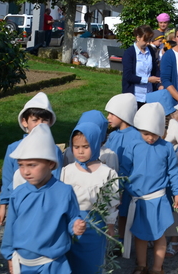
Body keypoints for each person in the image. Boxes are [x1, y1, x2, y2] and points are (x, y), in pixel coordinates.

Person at [0, 124, 86, 273]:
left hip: (54, 264)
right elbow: (10, 227)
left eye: (32, 165)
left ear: (51, 164)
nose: (25, 171)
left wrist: (76, 226)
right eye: (21, 165)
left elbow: (72, 218)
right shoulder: (18, 193)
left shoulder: (64, 192)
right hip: (23, 264)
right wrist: (9, 255)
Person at [121, 102, 178, 274]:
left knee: (159, 235)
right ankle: (141, 264)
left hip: (158, 199)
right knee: (140, 235)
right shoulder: (133, 145)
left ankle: (158, 266)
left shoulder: (166, 148)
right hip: (138, 199)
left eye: (154, 134)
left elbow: (173, 172)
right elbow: (124, 170)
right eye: (146, 134)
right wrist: (125, 188)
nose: (150, 138)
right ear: (140, 129)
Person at [61, 116, 120, 274]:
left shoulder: (107, 173)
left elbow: (112, 201)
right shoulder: (67, 172)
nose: (80, 151)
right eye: (76, 146)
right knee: (70, 263)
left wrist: (110, 224)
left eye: (85, 146)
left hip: (96, 225)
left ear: (95, 144)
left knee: (92, 264)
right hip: (70, 225)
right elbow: (60, 200)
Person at [0, 92, 64, 227]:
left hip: (45, 205)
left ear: (50, 122)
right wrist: (3, 206)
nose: (40, 124)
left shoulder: (54, 150)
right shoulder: (13, 148)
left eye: (44, 120)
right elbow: (7, 178)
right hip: (19, 203)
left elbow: (57, 179)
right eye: (35, 120)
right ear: (24, 121)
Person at [103, 92, 142, 242]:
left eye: (112, 114)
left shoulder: (135, 136)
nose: (108, 117)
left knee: (125, 210)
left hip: (127, 181)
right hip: (112, 180)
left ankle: (124, 239)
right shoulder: (113, 135)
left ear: (123, 113)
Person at [122, 25, 161, 104]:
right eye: (145, 40)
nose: (147, 43)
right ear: (138, 37)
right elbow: (128, 76)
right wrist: (147, 80)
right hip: (134, 96)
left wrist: (159, 83)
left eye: (149, 40)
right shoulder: (129, 53)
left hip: (149, 95)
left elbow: (155, 70)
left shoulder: (150, 50)